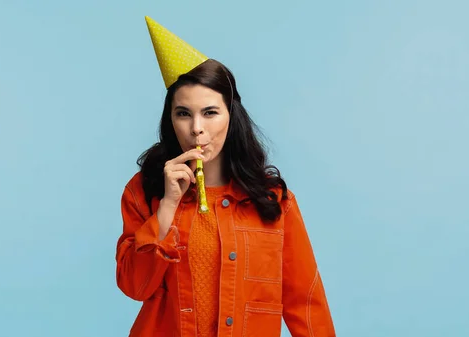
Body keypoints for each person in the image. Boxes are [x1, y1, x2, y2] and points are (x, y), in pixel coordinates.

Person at [115, 16, 336, 337]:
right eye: (183, 114)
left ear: (231, 117)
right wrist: (167, 207)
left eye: (210, 112)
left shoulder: (274, 201)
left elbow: (305, 302)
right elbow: (135, 287)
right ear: (170, 120)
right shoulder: (143, 192)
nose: (196, 129)